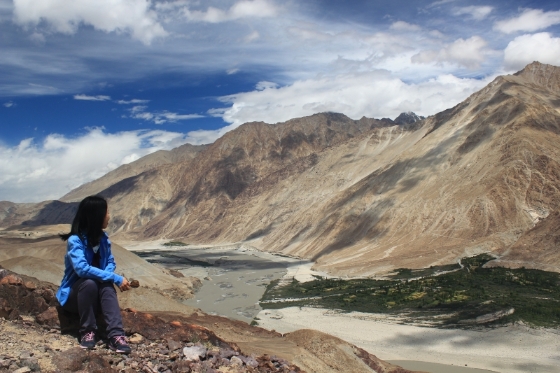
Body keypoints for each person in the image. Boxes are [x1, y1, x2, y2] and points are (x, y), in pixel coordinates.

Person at [56, 195, 131, 354]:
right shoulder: (75, 241)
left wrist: (107, 276)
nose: (109, 216)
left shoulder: (103, 239)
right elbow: (82, 269)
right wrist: (114, 277)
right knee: (90, 282)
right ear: (96, 216)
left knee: (106, 285)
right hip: (75, 297)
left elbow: (110, 261)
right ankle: (88, 331)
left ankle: (116, 335)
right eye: (106, 212)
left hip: (97, 296)